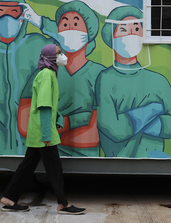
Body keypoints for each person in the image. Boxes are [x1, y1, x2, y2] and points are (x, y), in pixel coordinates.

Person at [1, 44, 86, 215]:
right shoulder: (47, 75)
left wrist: (58, 117)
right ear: (49, 57)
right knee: (55, 168)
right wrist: (47, 133)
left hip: (38, 129)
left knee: (27, 166)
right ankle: (63, 204)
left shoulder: (47, 73)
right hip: (42, 131)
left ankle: (9, 198)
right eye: (58, 53)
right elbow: (45, 106)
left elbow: (48, 103)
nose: (62, 55)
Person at [18, 1, 105, 157]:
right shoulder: (43, 74)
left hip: (75, 149)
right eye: (65, 24)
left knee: (31, 163)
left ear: (89, 31)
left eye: (76, 23)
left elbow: (94, 135)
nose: (70, 29)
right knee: (39, 164)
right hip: (48, 139)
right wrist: (76, 121)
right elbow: (24, 124)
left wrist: (59, 126)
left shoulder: (100, 74)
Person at [0, 0, 56, 156]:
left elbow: (68, 42)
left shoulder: (37, 43)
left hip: (27, 138)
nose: (6, 16)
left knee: (30, 163)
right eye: (0, 10)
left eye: (13, 11)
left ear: (23, 15)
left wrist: (40, 22)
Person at [95, 6, 171, 158]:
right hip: (115, 163)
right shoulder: (105, 79)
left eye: (136, 29)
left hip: (154, 161)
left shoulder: (159, 81)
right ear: (111, 37)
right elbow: (114, 129)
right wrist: (152, 110)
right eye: (123, 30)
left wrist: (131, 120)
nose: (131, 35)